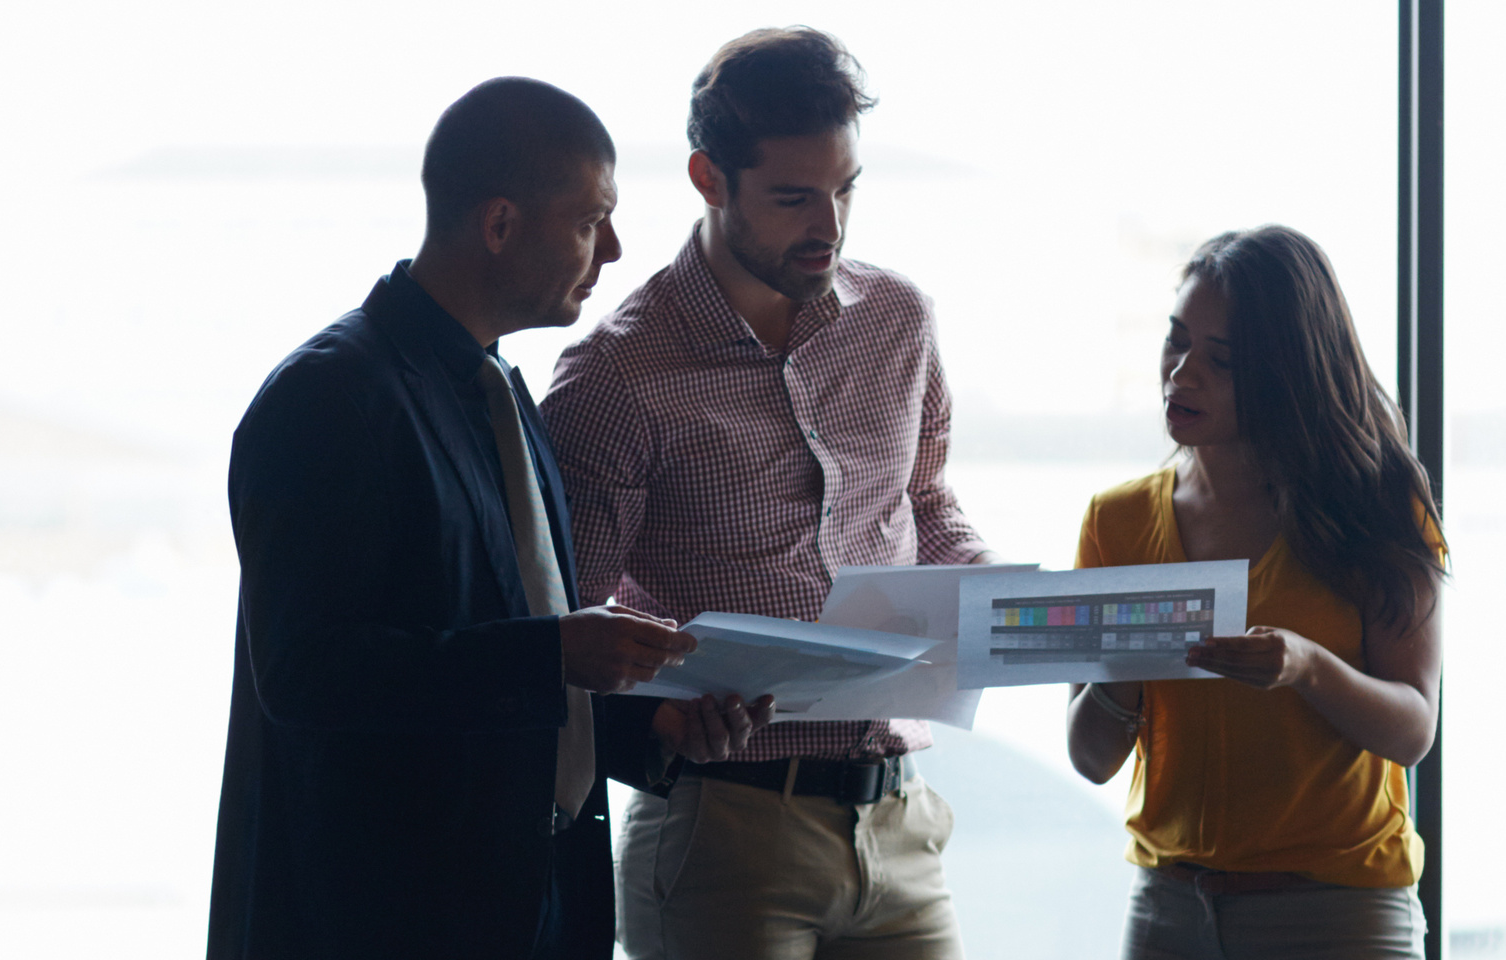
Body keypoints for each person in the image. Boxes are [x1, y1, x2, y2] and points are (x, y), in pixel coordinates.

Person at [208, 77, 697, 960]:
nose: (615, 249)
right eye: (592, 219)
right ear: (501, 224)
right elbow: (309, 673)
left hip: (531, 896)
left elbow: (483, 640)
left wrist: (646, 721)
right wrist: (556, 652)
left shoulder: (500, 387)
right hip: (395, 915)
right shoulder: (330, 397)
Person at [540, 26, 987, 960]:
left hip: (900, 818)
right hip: (725, 827)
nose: (828, 225)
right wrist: (657, 707)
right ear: (709, 178)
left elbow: (926, 505)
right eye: (793, 197)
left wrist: (996, 598)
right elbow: (561, 619)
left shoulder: (899, 320)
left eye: (844, 190)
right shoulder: (615, 376)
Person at [1063, 226, 1445, 960]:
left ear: (1289, 374)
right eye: (1176, 341)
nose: (1182, 373)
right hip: (1170, 909)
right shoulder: (1116, 522)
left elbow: (1412, 729)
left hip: (1340, 915)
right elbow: (1090, 758)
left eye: (1222, 360)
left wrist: (1307, 667)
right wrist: (1127, 667)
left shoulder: (1379, 506)